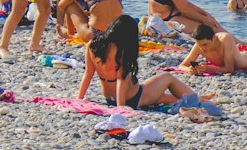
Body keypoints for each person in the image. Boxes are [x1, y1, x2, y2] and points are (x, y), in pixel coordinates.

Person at [78, 15, 210, 112]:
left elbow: (88, 73)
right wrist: (121, 106)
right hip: (131, 98)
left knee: (163, 97)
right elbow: (121, 78)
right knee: (167, 78)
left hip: (109, 98)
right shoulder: (121, 50)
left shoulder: (92, 45)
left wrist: (79, 98)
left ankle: (197, 100)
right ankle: (197, 99)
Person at [180, 23, 247, 73]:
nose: (202, 48)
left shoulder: (224, 39)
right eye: (199, 45)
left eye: (205, 44)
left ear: (214, 38)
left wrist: (208, 68)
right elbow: (182, 66)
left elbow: (229, 69)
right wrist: (189, 70)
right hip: (236, 52)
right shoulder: (200, 45)